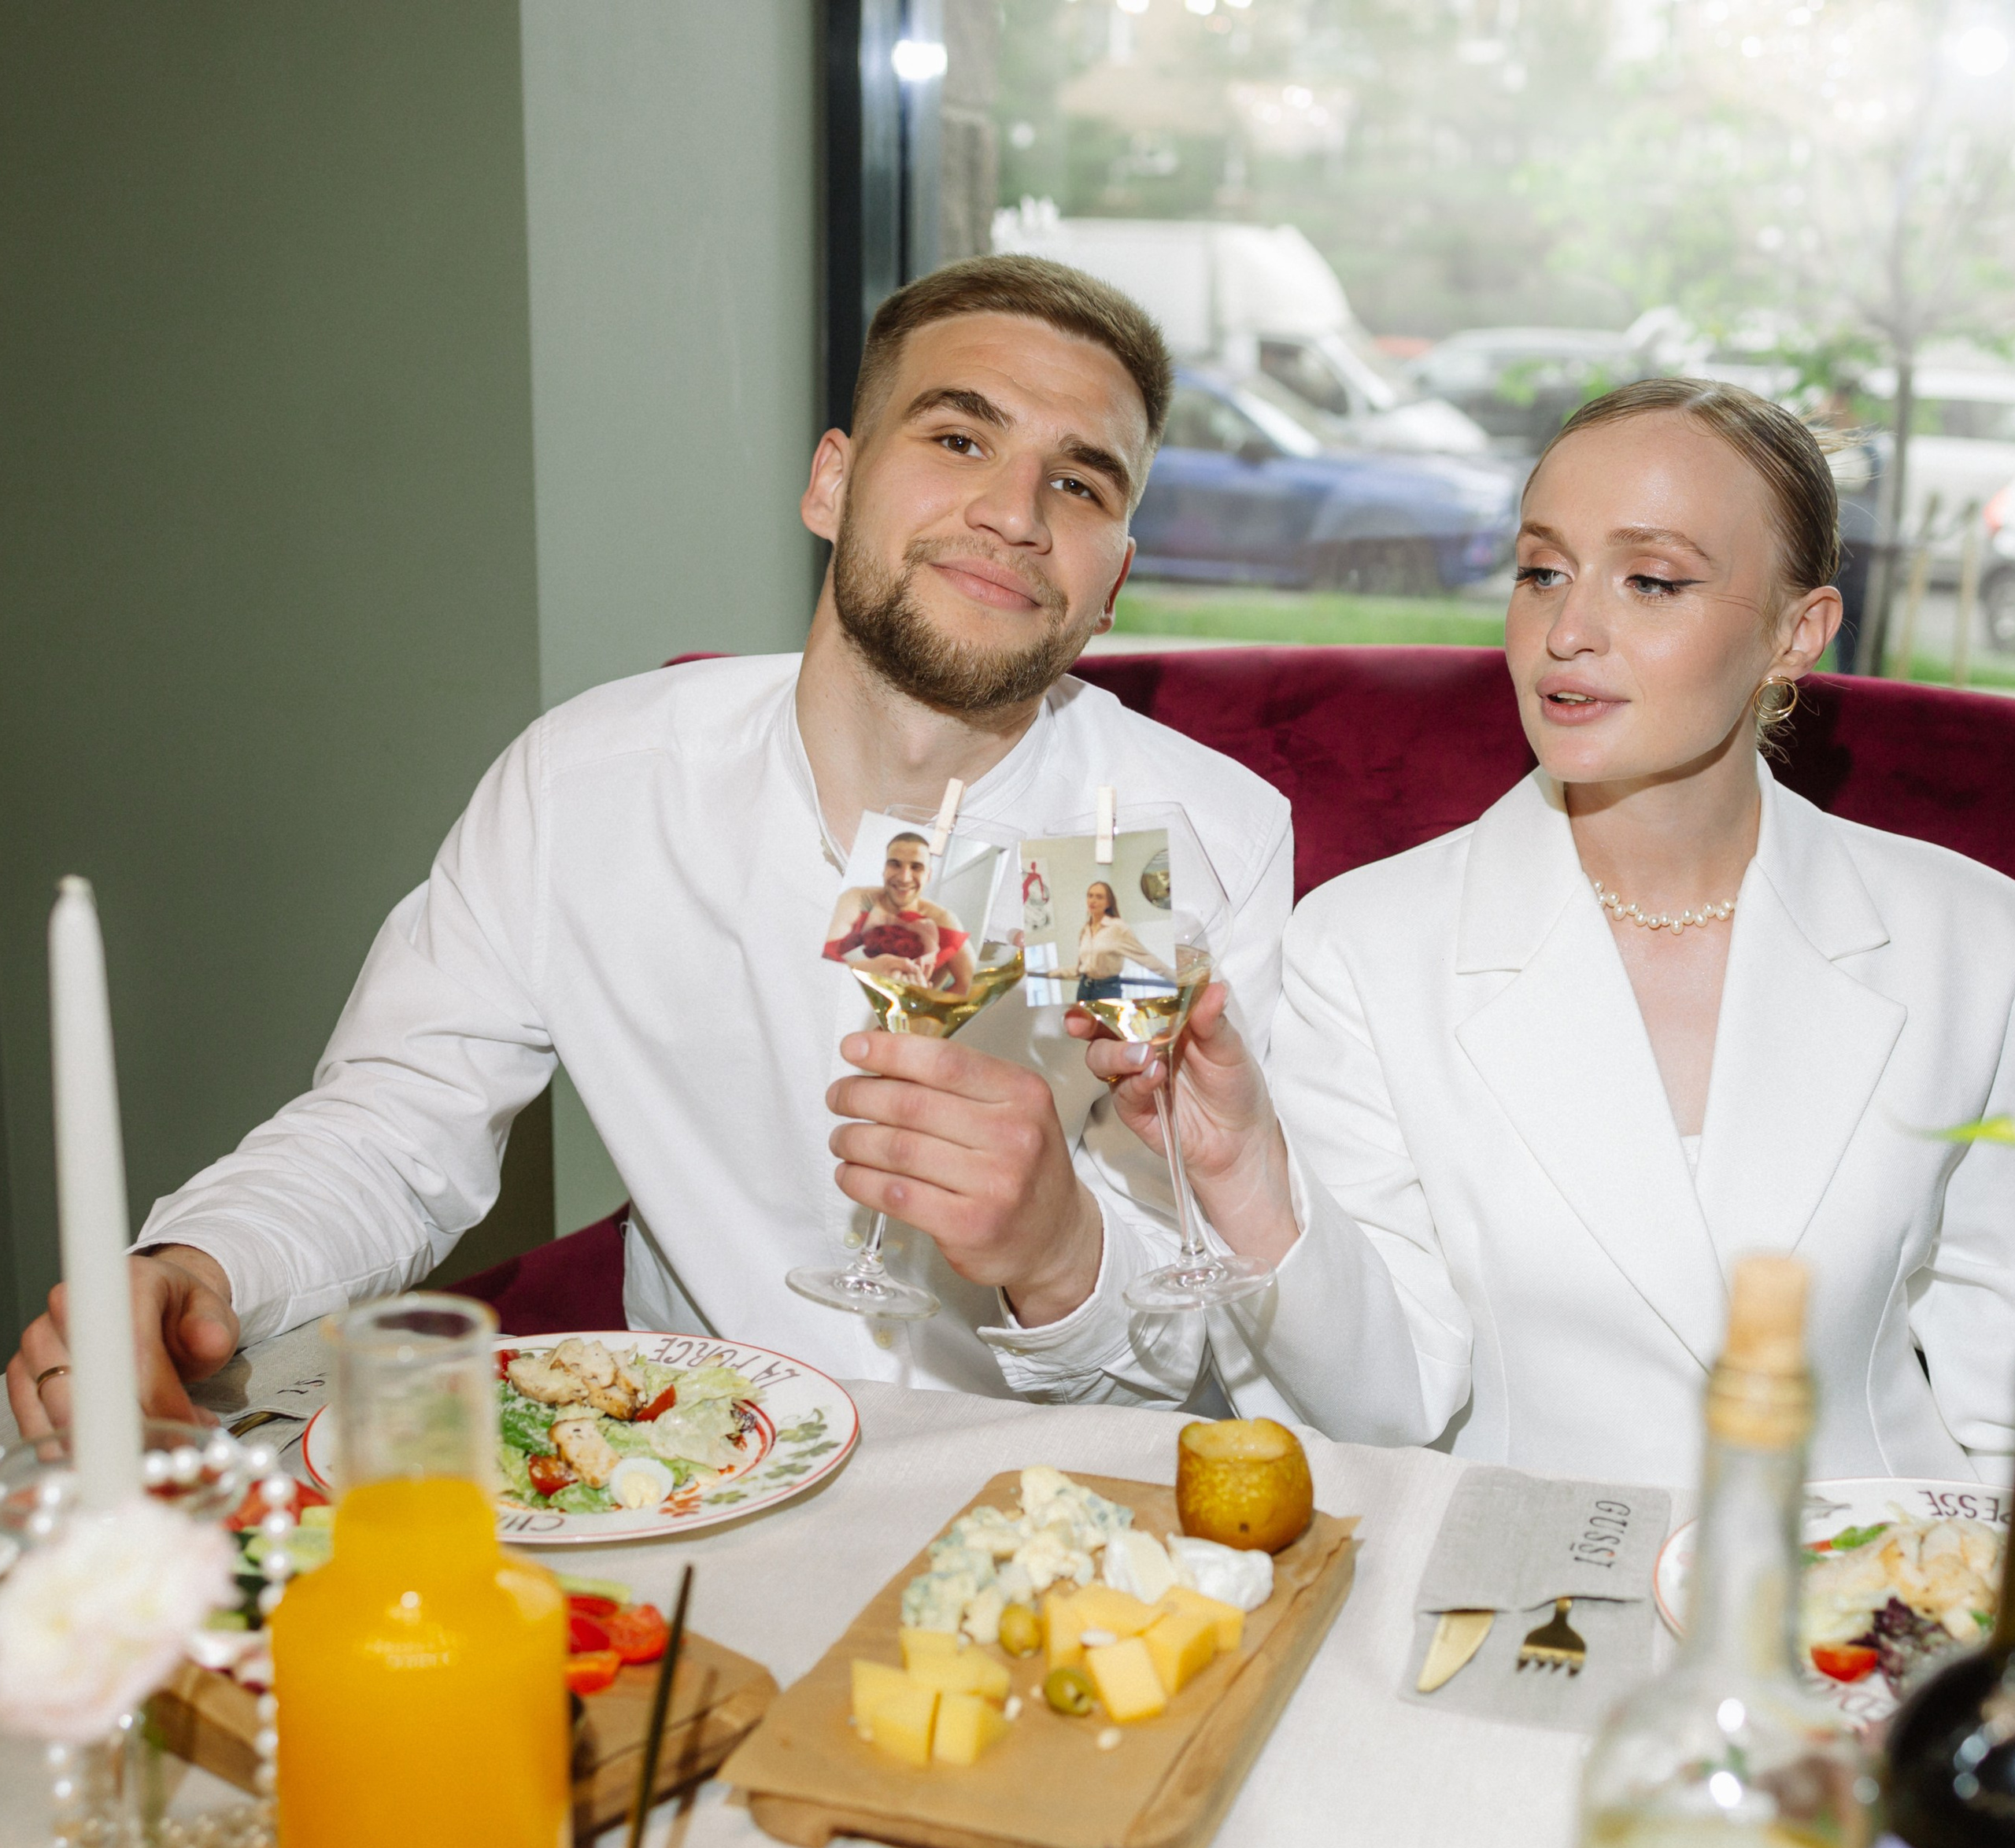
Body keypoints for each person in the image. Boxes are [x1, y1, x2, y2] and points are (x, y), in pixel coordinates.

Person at [10, 256, 1291, 1437]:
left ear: (1114, 574)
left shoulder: (1200, 842)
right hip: (691, 1475)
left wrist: (1061, 1256)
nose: (1015, 511)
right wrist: (194, 1264)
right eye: (959, 436)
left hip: (1059, 1491)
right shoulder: (592, 782)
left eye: (1078, 483)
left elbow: (1232, 1329)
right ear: (832, 482)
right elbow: (395, 1131)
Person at [1073, 378, 2015, 1488]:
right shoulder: (1364, 950)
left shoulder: (1974, 939)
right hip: (1525, 1608)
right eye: (1541, 572)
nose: (1567, 632)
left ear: (1795, 634)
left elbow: (1996, 1394)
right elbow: (1383, 1411)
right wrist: (1246, 1181)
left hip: (1860, 1612)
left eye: (1653, 580)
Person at [823, 830, 966, 992]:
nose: (904, 877)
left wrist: (924, 1002)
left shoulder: (944, 920)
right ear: (884, 869)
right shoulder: (857, 899)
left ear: (928, 875)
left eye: (916, 867)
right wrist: (867, 968)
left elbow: (966, 985)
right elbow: (826, 951)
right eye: (895, 864)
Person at [1066, 881, 1174, 1003]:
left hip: (1107, 989)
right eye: (1090, 896)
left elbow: (1144, 957)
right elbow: (1083, 965)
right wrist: (1055, 973)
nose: (1093, 901)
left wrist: (1175, 977)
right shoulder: (1086, 929)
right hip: (1084, 988)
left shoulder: (1118, 928)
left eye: (1099, 897)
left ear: (1108, 902)